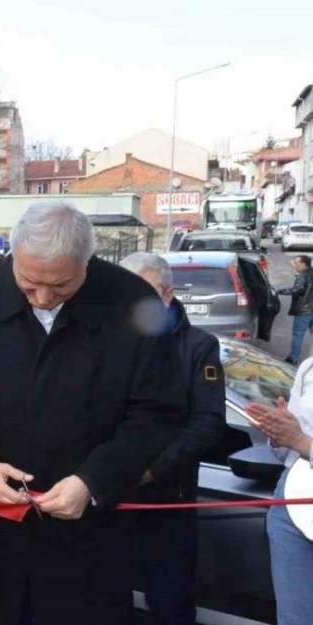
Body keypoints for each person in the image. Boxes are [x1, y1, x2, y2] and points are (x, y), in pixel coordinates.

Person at [0, 202, 184, 625]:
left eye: (61, 285)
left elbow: (155, 414)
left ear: (86, 262)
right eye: (30, 283)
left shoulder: (133, 301)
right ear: (14, 256)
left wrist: (93, 481)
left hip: (91, 541)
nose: (43, 298)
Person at [121, 252, 227, 625]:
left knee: (170, 606)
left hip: (167, 503)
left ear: (167, 295)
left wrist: (151, 471)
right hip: (107, 498)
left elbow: (208, 423)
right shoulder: (109, 343)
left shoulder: (198, 347)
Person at [246, 369, 313, 625]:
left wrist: (302, 441)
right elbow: (289, 454)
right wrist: (279, 433)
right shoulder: (309, 367)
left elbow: (302, 442)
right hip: (290, 505)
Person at [277, 254, 313, 365]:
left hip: (304, 310)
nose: (295, 265)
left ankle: (293, 358)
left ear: (303, 264)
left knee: (298, 334)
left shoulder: (303, 275)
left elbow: (297, 290)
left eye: (296, 263)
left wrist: (280, 291)